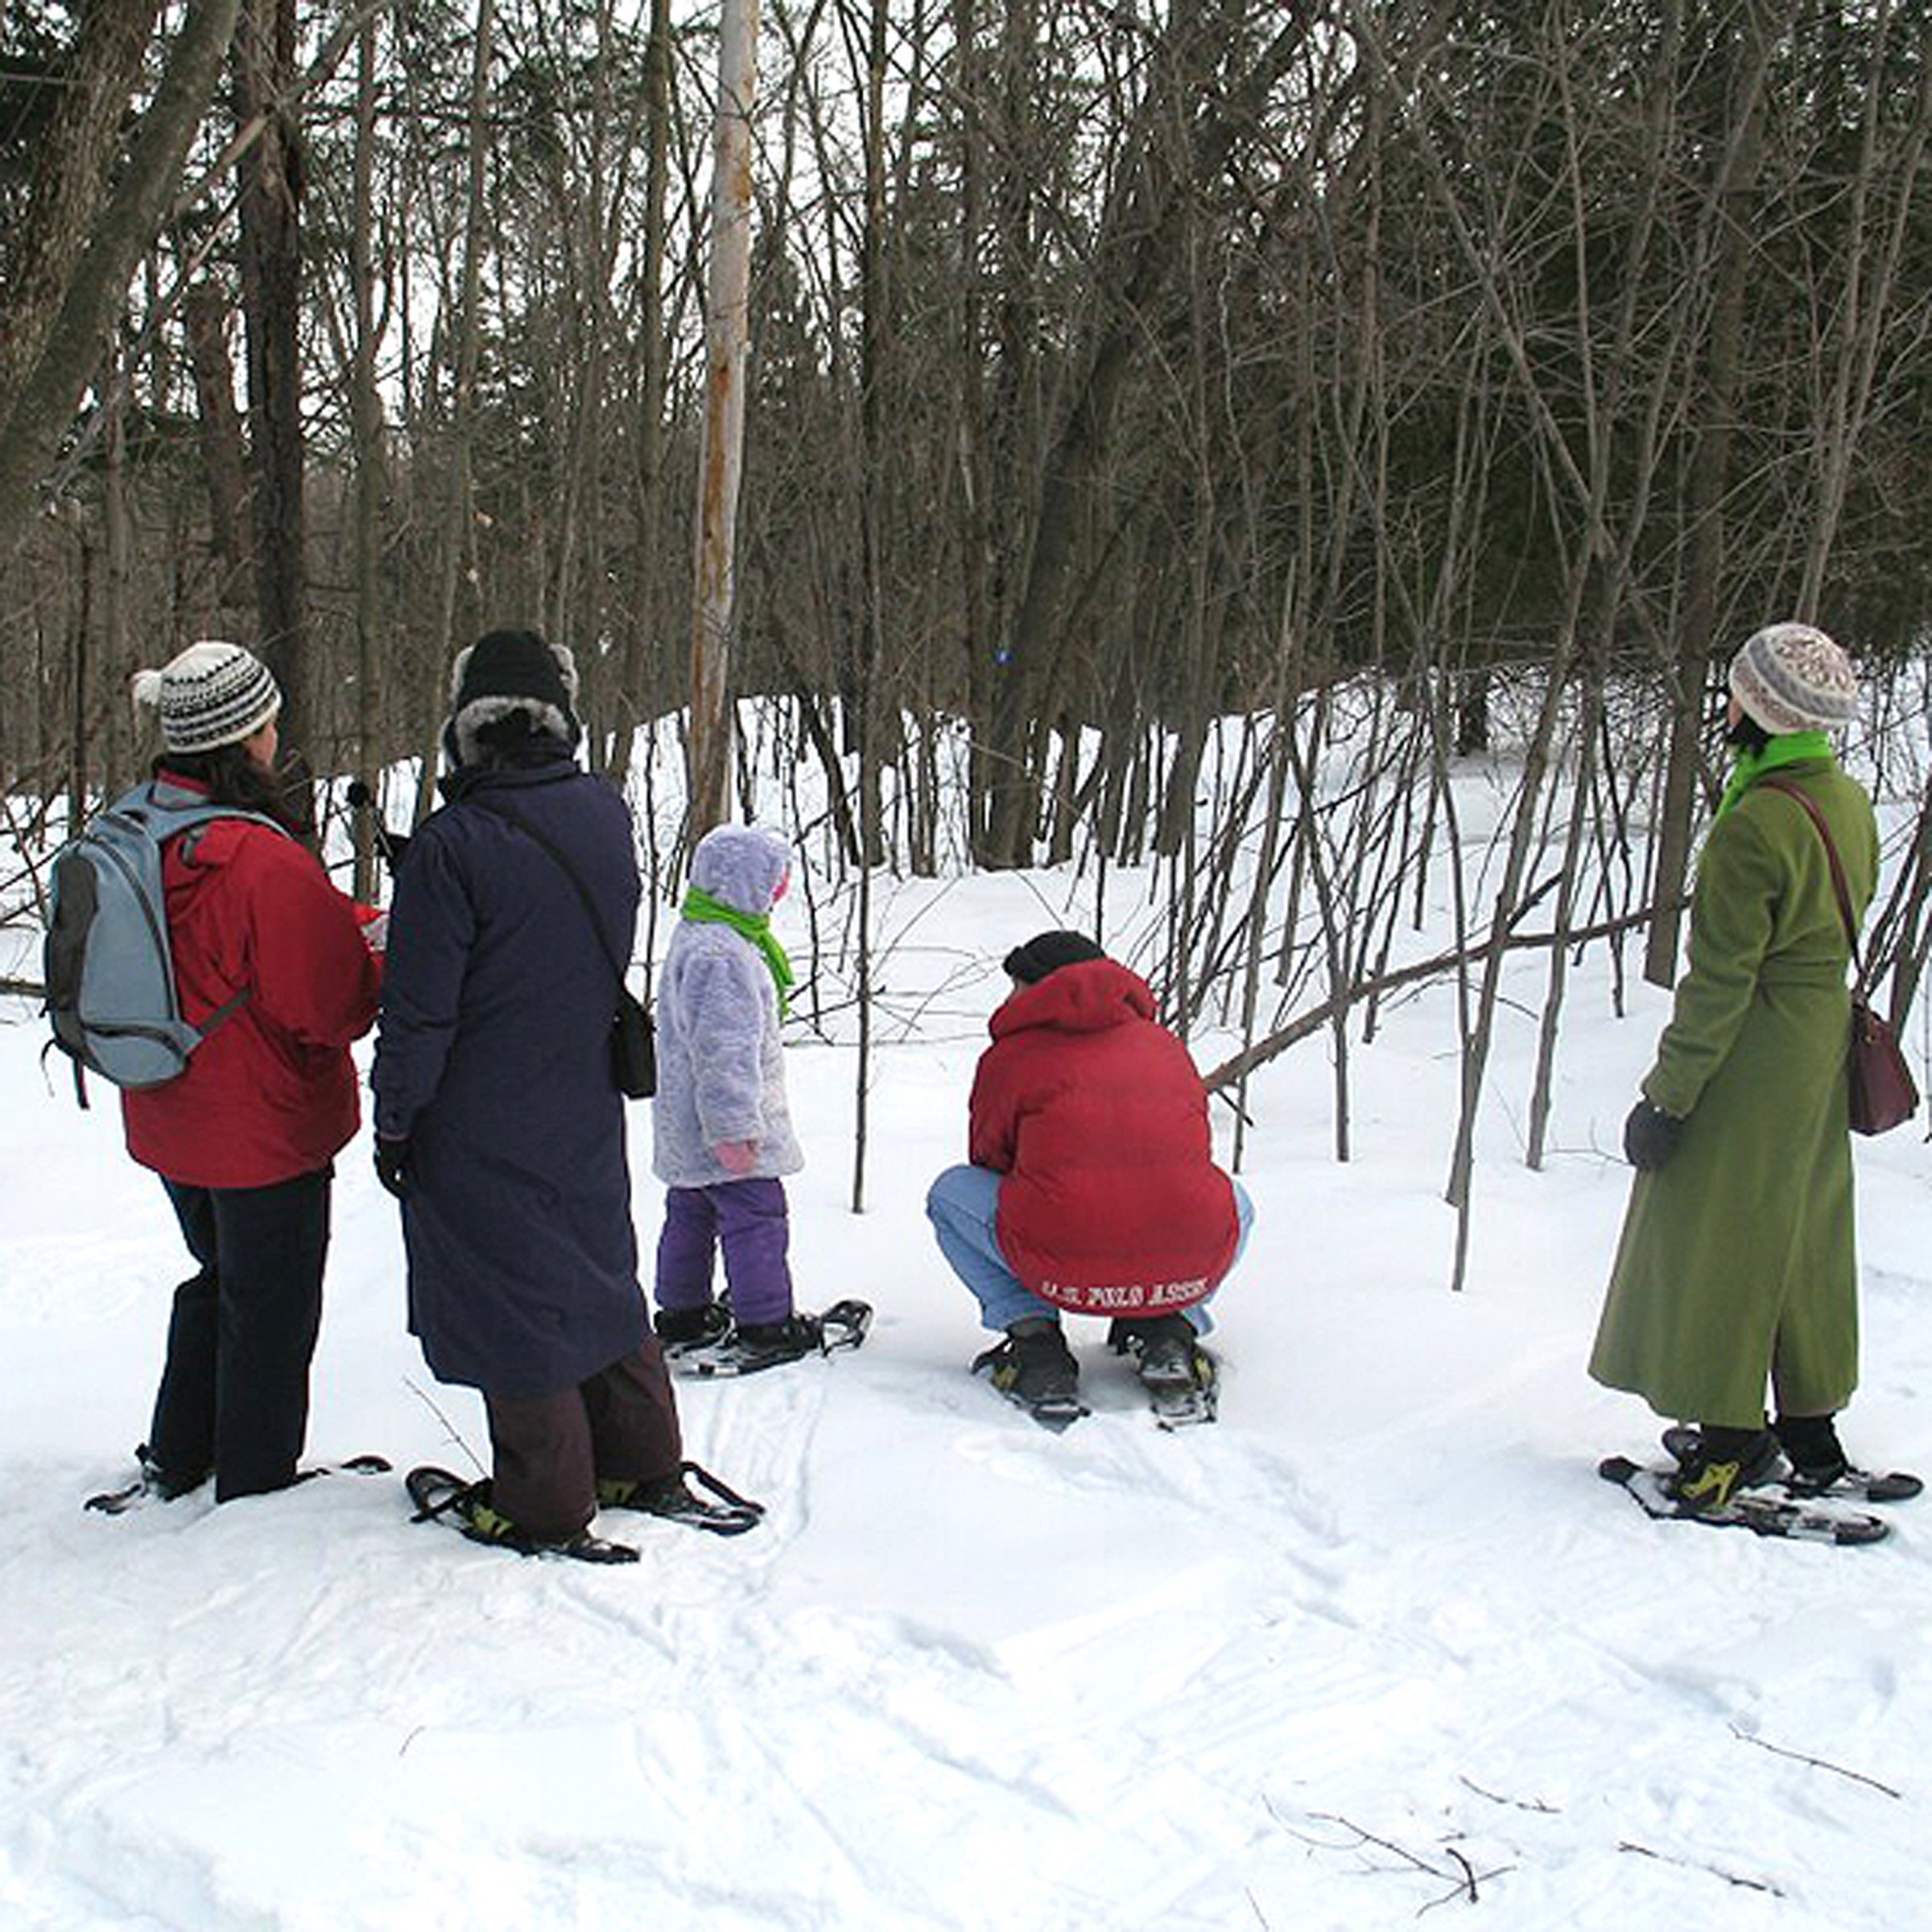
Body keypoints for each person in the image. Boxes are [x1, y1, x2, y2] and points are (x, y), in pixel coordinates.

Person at [372, 629, 709, 1556]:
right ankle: (642, 1456)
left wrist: (395, 1122)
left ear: (464, 731)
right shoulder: (604, 811)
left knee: (507, 1295)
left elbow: (420, 1013)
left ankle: (546, 1497)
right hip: (583, 1094)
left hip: (479, 1110)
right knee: (596, 1270)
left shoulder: (455, 845)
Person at [1590, 621, 1877, 1510]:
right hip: (1817, 1044)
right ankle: (1810, 1430)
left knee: (1721, 1238)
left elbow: (1718, 985)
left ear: (1760, 707)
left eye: (1739, 692)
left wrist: (1667, 1098)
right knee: (1803, 1233)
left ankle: (1727, 1442)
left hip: (1753, 1056)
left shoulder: (1757, 822)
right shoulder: (1848, 801)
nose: (1729, 702)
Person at [117, 641, 383, 1504]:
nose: (278, 733)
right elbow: (332, 1007)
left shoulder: (133, 829)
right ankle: (256, 1489)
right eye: (269, 721)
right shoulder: (259, 859)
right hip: (264, 1131)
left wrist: (344, 917)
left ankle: (180, 1451)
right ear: (246, 738)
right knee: (270, 1311)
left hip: (167, 1112)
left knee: (220, 1276)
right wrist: (379, 951)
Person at [925, 931, 1251, 1416]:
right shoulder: (1164, 1044)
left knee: (949, 1195)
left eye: (1015, 985)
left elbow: (989, 1160)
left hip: (1059, 1259)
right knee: (1232, 1200)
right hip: (1187, 1262)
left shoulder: (1010, 1056)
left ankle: (1035, 1343)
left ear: (1035, 989)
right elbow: (1186, 1157)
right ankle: (1168, 1328)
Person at [650, 823, 830, 1373]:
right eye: (774, 878)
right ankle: (766, 1322)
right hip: (727, 1128)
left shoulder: (704, 933)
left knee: (692, 1210)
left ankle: (683, 1312)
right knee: (756, 1217)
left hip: (688, 1123)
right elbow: (723, 1050)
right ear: (743, 881)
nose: (780, 888)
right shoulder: (722, 954)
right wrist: (734, 1132)